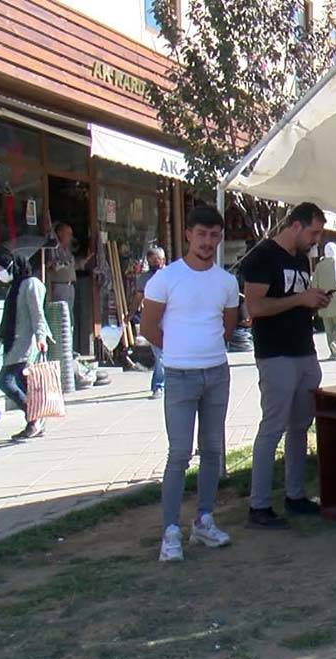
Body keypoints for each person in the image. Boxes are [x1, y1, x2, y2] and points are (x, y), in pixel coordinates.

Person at [139, 207, 239, 562]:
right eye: (201, 234)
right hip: (179, 374)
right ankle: (170, 530)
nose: (207, 242)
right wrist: (178, 350)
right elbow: (148, 327)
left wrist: (204, 348)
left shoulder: (227, 282)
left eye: (214, 236)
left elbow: (228, 327)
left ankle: (204, 519)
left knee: (212, 450)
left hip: (216, 372)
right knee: (179, 453)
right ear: (188, 235)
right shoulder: (165, 279)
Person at [239, 202, 329, 530]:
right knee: (273, 428)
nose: (316, 240)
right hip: (275, 354)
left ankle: (295, 495)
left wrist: (313, 301)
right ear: (295, 226)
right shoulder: (262, 257)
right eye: (313, 232)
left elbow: (294, 301)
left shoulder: (301, 259)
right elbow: (254, 307)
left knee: (300, 426)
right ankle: (259, 505)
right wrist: (300, 299)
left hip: (304, 349)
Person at [0, 246, 52, 441]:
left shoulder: (31, 284)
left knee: (5, 381)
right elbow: (9, 318)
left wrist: (41, 338)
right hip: (14, 343)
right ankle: (35, 422)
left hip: (25, 344)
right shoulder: (15, 285)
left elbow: (38, 315)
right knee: (24, 385)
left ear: (11, 266)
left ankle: (34, 418)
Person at [131, 246, 168, 398]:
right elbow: (138, 298)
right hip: (153, 320)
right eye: (150, 261)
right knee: (160, 355)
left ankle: (165, 383)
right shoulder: (144, 279)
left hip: (171, 320)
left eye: (156, 260)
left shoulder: (172, 275)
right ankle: (158, 386)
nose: (153, 264)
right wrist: (130, 314)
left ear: (163, 260)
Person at [45, 222, 92, 322]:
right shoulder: (53, 248)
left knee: (70, 317)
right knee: (61, 317)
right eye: (68, 234)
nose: (71, 237)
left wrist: (85, 260)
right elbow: (51, 265)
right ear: (60, 233)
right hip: (59, 286)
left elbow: (72, 266)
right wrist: (64, 264)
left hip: (70, 287)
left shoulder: (67, 250)